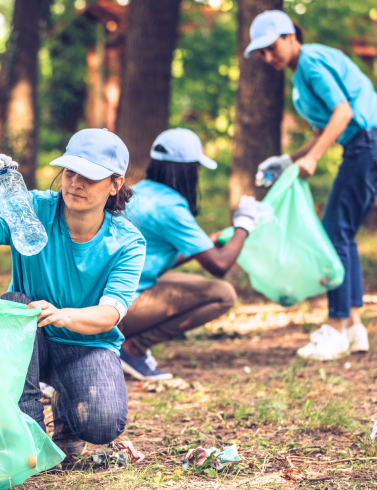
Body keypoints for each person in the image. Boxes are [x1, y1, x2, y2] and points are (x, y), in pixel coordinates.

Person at [0, 129, 145, 457]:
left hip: (86, 346)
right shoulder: (31, 209)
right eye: (70, 172)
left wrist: (63, 315)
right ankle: (28, 431)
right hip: (30, 338)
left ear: (115, 183)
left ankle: (66, 410)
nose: (75, 183)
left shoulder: (127, 242)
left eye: (90, 176)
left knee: (103, 423)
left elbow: (109, 315)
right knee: (14, 303)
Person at [246, 10, 377, 360]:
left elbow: (344, 114)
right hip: (364, 144)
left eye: (272, 47)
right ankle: (353, 326)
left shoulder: (311, 62)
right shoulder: (302, 76)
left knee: (333, 234)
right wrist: (290, 159)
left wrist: (314, 158)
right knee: (343, 234)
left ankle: (333, 329)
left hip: (366, 143)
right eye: (262, 52)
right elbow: (325, 131)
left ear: (291, 37)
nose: (268, 57)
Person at [119, 129, 258, 381]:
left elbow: (154, 256)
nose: (198, 174)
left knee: (190, 285)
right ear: (187, 170)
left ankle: (127, 347)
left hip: (108, 296)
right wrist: (244, 226)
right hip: (121, 306)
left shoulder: (139, 192)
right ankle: (133, 347)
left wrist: (207, 243)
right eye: (197, 167)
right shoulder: (171, 207)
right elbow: (220, 264)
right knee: (223, 294)